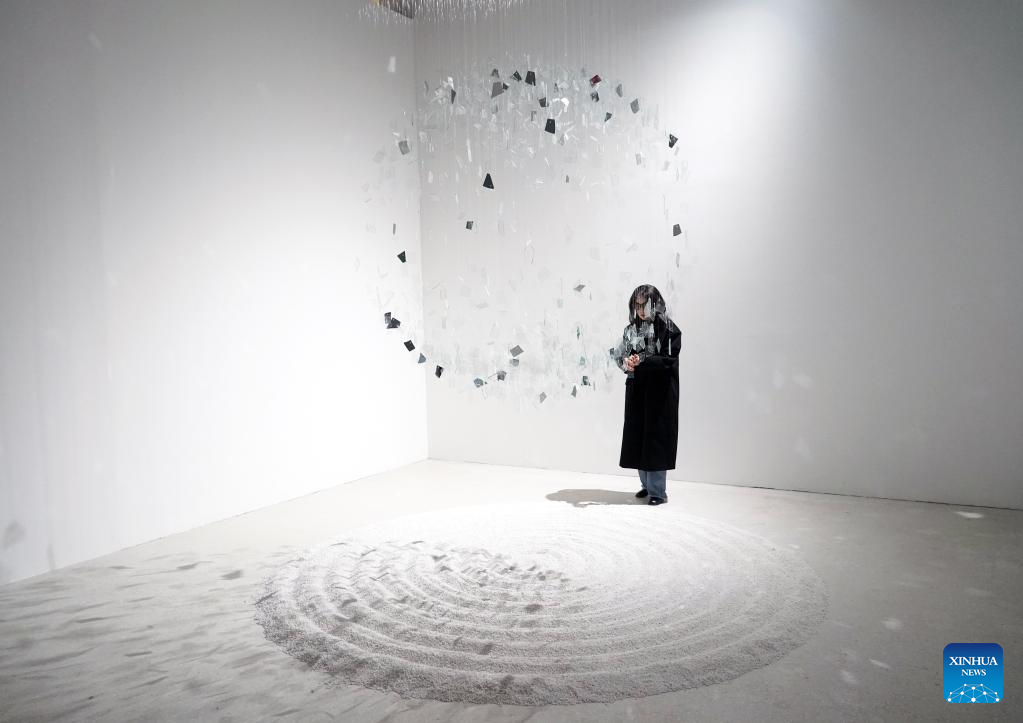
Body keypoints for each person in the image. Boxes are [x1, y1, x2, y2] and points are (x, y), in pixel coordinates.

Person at [611, 284, 682, 505]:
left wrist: (640, 361)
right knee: (638, 436)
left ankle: (658, 492)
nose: (641, 310)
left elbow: (668, 360)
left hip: (660, 394)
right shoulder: (631, 329)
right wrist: (626, 361)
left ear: (656, 304)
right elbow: (619, 354)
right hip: (637, 391)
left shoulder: (668, 328)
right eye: (637, 305)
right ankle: (646, 485)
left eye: (645, 305)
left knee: (656, 439)